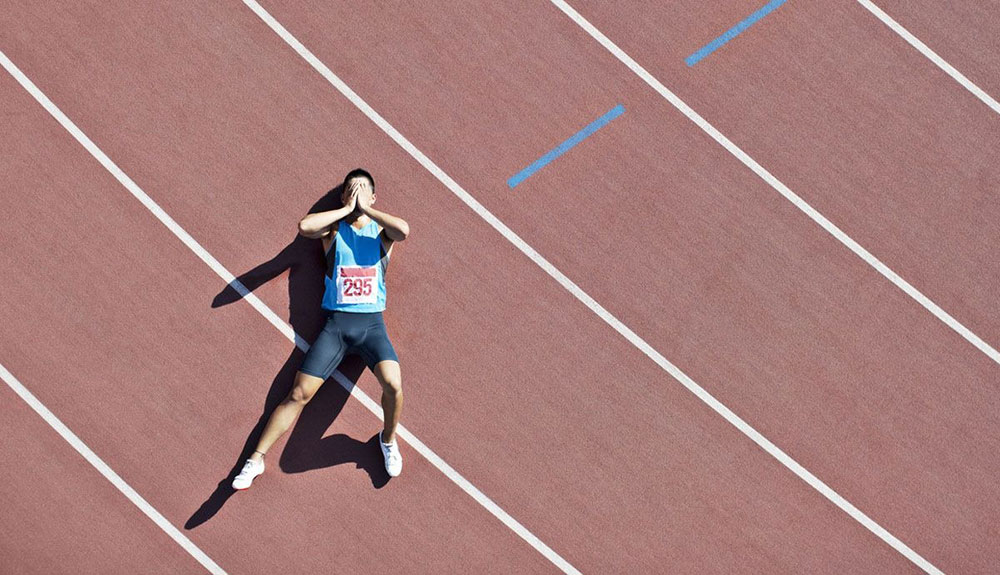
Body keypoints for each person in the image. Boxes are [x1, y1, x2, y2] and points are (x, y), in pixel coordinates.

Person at [233, 168, 410, 489]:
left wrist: (366, 210)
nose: (356, 197)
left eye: (362, 191)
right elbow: (304, 226)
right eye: (350, 192)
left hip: (372, 327)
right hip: (336, 329)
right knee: (298, 394)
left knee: (394, 386)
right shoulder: (333, 233)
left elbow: (403, 230)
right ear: (343, 198)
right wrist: (346, 209)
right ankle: (254, 460)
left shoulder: (382, 235)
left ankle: (387, 440)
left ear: (373, 197)